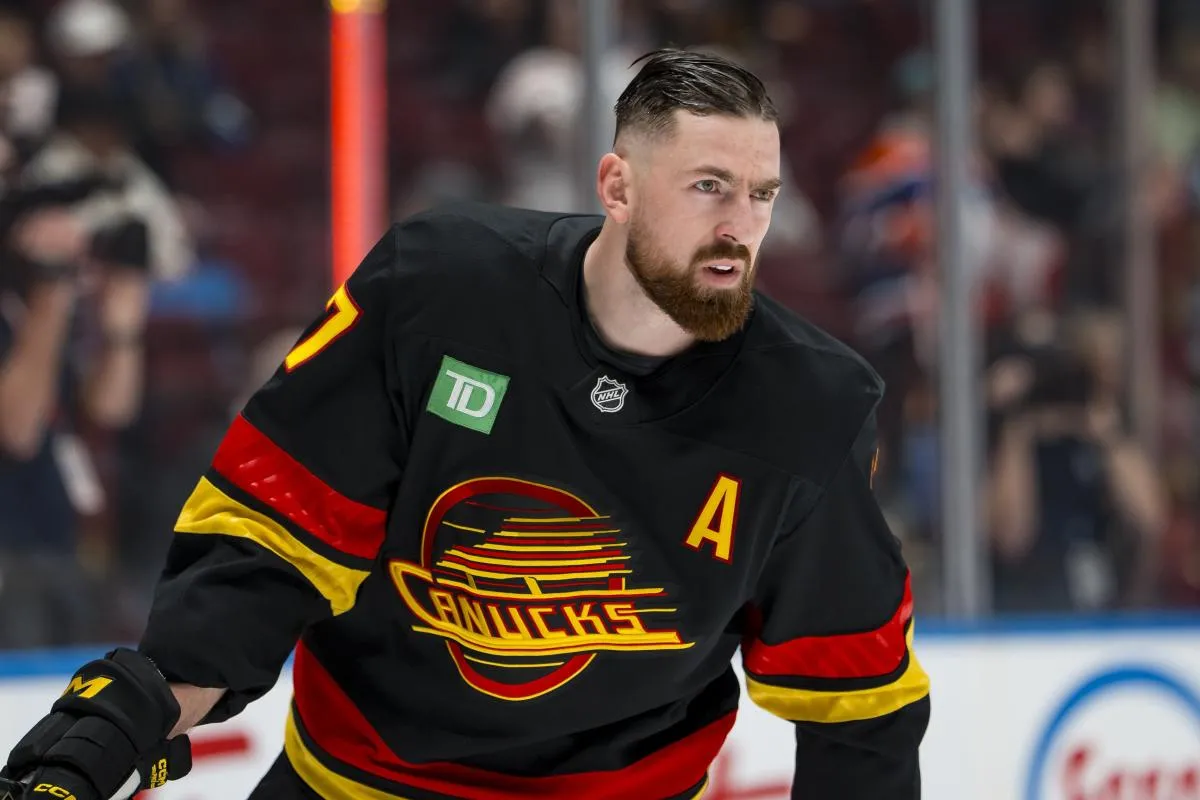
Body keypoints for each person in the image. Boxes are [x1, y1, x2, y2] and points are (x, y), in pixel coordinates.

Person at [1, 49, 930, 800]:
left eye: (761, 195)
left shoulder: (809, 405)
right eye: (708, 188)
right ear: (617, 184)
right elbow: (270, 551)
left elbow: (860, 713)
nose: (740, 226)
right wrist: (144, 708)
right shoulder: (437, 294)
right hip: (362, 784)